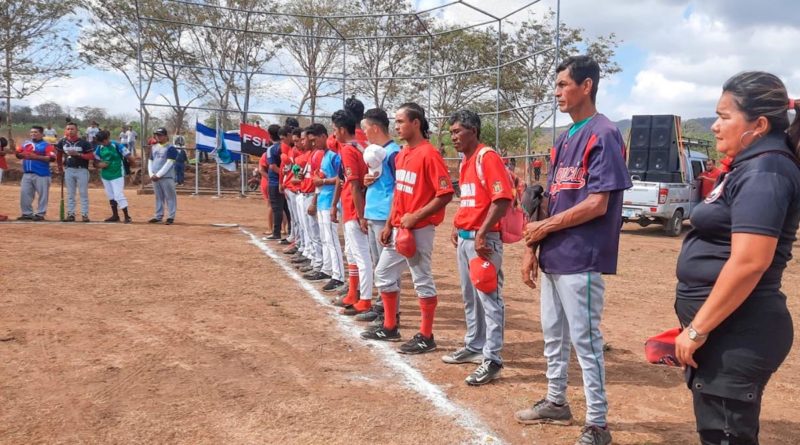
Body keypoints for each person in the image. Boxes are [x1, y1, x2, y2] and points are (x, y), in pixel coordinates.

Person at [673, 72, 800, 445]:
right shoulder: (750, 165)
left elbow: (750, 262)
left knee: (726, 435)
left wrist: (697, 329)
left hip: (740, 332)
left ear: (758, 124)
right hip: (727, 329)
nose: (714, 126)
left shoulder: (766, 170)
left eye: (724, 116)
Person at [515, 55, 631, 445]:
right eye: (557, 85)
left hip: (582, 255)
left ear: (587, 86)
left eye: (564, 84)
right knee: (553, 334)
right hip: (554, 255)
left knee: (586, 341)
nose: (557, 92)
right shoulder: (564, 138)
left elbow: (598, 202)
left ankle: (597, 423)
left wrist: (543, 227)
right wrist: (534, 246)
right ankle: (555, 401)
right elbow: (551, 198)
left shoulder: (605, 132)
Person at [360, 102, 454, 354]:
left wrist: (416, 216)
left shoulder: (429, 154)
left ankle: (426, 336)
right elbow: (399, 195)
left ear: (416, 123)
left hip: (419, 228)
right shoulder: (402, 155)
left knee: (421, 277)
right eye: (396, 121)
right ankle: (390, 326)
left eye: (401, 121)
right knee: (384, 274)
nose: (397, 126)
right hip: (400, 227)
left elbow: (445, 193)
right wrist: (390, 223)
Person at [443, 109, 513, 386]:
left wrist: (482, 233)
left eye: (457, 131)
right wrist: (457, 226)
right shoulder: (465, 162)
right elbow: (470, 200)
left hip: (483, 241)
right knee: (469, 296)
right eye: (451, 133)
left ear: (473, 131)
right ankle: (474, 346)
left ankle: (492, 359)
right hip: (466, 238)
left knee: (490, 299)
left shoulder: (487, 157)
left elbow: (503, 198)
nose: (454, 138)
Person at [357, 107, 402, 325]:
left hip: (385, 215)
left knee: (387, 267)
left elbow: (398, 188)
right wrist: (367, 180)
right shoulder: (376, 152)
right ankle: (380, 304)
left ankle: (392, 313)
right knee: (378, 264)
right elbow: (380, 180)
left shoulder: (393, 152)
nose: (364, 133)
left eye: (365, 128)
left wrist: (391, 220)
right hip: (374, 212)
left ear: (375, 128)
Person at [329, 109, 373, 315]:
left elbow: (354, 185)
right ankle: (354, 293)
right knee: (352, 253)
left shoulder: (348, 150)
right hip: (352, 208)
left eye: (335, 129)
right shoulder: (359, 146)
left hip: (354, 208)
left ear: (342, 130)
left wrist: (361, 215)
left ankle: (365, 298)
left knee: (361, 255)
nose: (334, 134)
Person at [308, 124, 346, 292]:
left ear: (323, 136)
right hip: (323, 199)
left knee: (331, 239)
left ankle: (338, 276)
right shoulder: (324, 156)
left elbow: (340, 178)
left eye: (315, 140)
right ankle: (327, 269)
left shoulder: (334, 156)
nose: (313, 144)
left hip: (331, 201)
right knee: (325, 238)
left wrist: (323, 182)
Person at [55, 122, 94, 222]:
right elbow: (58, 156)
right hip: (69, 169)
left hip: (82, 170)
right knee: (70, 193)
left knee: (83, 193)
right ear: (65, 130)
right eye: (68, 129)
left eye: (72, 129)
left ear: (77, 130)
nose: (70, 131)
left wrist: (79, 155)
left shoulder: (84, 143)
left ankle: (85, 214)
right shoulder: (62, 142)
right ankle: (71, 214)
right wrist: (60, 168)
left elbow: (91, 156)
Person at [16, 126, 57, 221]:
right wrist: (19, 154)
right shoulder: (26, 144)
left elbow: (52, 158)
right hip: (27, 173)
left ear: (42, 134)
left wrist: (36, 157)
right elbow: (18, 154)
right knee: (25, 194)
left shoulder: (46, 145)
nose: (33, 134)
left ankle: (40, 214)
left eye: (36, 132)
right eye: (32, 132)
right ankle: (27, 213)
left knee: (43, 195)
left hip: (41, 173)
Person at [93, 130, 134, 223]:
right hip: (105, 175)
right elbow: (95, 161)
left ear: (107, 138)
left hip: (117, 173)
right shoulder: (99, 148)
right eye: (101, 142)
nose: (104, 143)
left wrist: (132, 166)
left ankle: (127, 216)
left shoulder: (117, 145)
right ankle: (115, 215)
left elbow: (129, 156)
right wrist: (99, 165)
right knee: (110, 195)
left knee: (118, 195)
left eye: (104, 140)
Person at [147, 127, 178, 225]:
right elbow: (150, 161)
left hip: (167, 176)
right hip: (155, 176)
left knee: (170, 197)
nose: (158, 137)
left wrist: (159, 174)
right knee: (158, 197)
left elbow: (169, 163)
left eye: (160, 135)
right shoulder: (154, 147)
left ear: (165, 136)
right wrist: (151, 174)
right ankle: (158, 216)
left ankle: (170, 217)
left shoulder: (171, 148)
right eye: (157, 135)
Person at [265, 124, 288, 240]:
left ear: (269, 135)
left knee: (277, 208)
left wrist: (284, 177)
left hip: (275, 182)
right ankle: (288, 231)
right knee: (286, 208)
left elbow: (273, 167)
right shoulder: (286, 147)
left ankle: (276, 232)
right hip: (285, 182)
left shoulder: (272, 149)